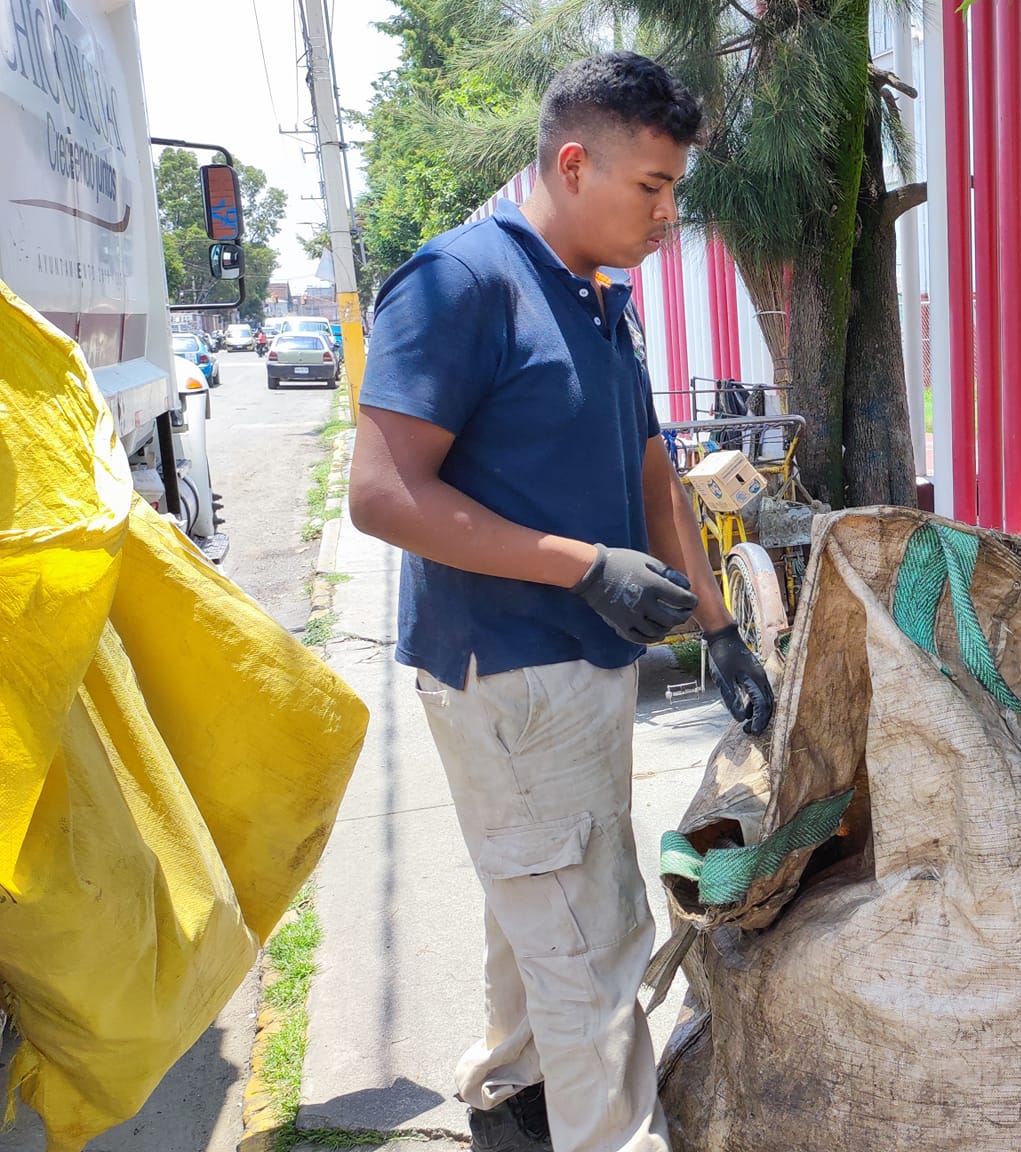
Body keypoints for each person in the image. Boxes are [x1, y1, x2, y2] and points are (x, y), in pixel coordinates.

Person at [348, 51, 773, 1152]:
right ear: (573, 162)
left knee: (536, 905)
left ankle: (509, 1099)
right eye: (651, 187)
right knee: (596, 943)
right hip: (509, 667)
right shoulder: (461, 284)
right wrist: (582, 566)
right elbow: (385, 496)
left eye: (675, 190)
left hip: (585, 669)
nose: (669, 213)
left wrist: (718, 630)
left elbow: (648, 472)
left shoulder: (596, 302)